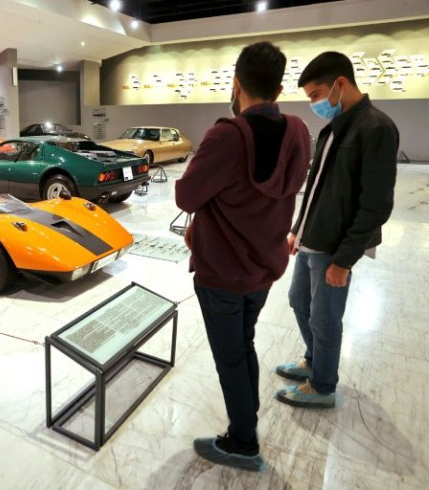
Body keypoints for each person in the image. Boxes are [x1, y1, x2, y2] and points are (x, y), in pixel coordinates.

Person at [175, 41, 310, 471]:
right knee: (244, 343)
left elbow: (185, 193)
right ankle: (246, 420)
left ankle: (242, 441)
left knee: (230, 354)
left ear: (236, 83)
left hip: (222, 273)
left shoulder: (227, 136)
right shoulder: (299, 131)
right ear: (280, 84)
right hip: (264, 268)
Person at [275, 52, 399, 408]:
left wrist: (344, 261)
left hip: (335, 246)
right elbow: (316, 187)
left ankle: (323, 385)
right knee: (299, 301)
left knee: (325, 318)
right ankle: (314, 361)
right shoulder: (335, 126)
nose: (314, 104)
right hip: (312, 238)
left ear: (339, 85)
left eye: (316, 95)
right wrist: (298, 229)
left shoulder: (377, 128)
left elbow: (376, 205)